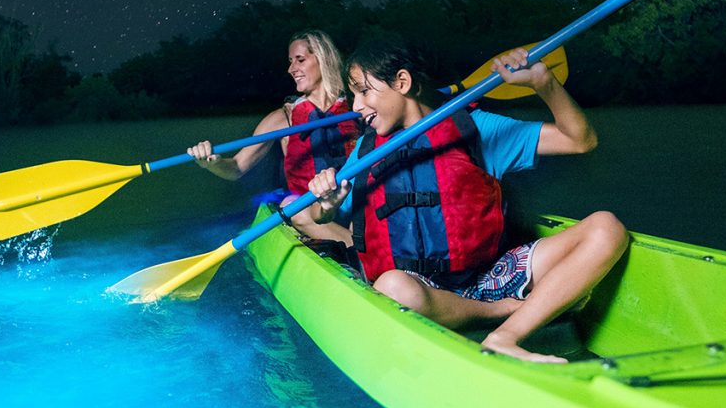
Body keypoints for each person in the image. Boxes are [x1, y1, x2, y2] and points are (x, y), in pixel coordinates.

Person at [307, 41, 628, 363]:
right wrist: (327, 204)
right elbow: (319, 215)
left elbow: (580, 140)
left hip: (488, 277)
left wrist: (544, 85)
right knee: (392, 287)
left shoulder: (475, 129)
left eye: (364, 92)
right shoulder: (366, 151)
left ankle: (506, 336)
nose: (357, 107)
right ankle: (500, 312)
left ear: (402, 82)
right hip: (422, 290)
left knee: (606, 227)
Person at [187, 29, 358, 244]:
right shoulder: (283, 118)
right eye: (290, 61)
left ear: (323, 59)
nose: (291, 69)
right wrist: (211, 163)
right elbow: (237, 167)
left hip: (351, 200)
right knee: (291, 207)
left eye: (300, 60)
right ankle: (360, 251)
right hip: (312, 211)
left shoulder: (356, 108)